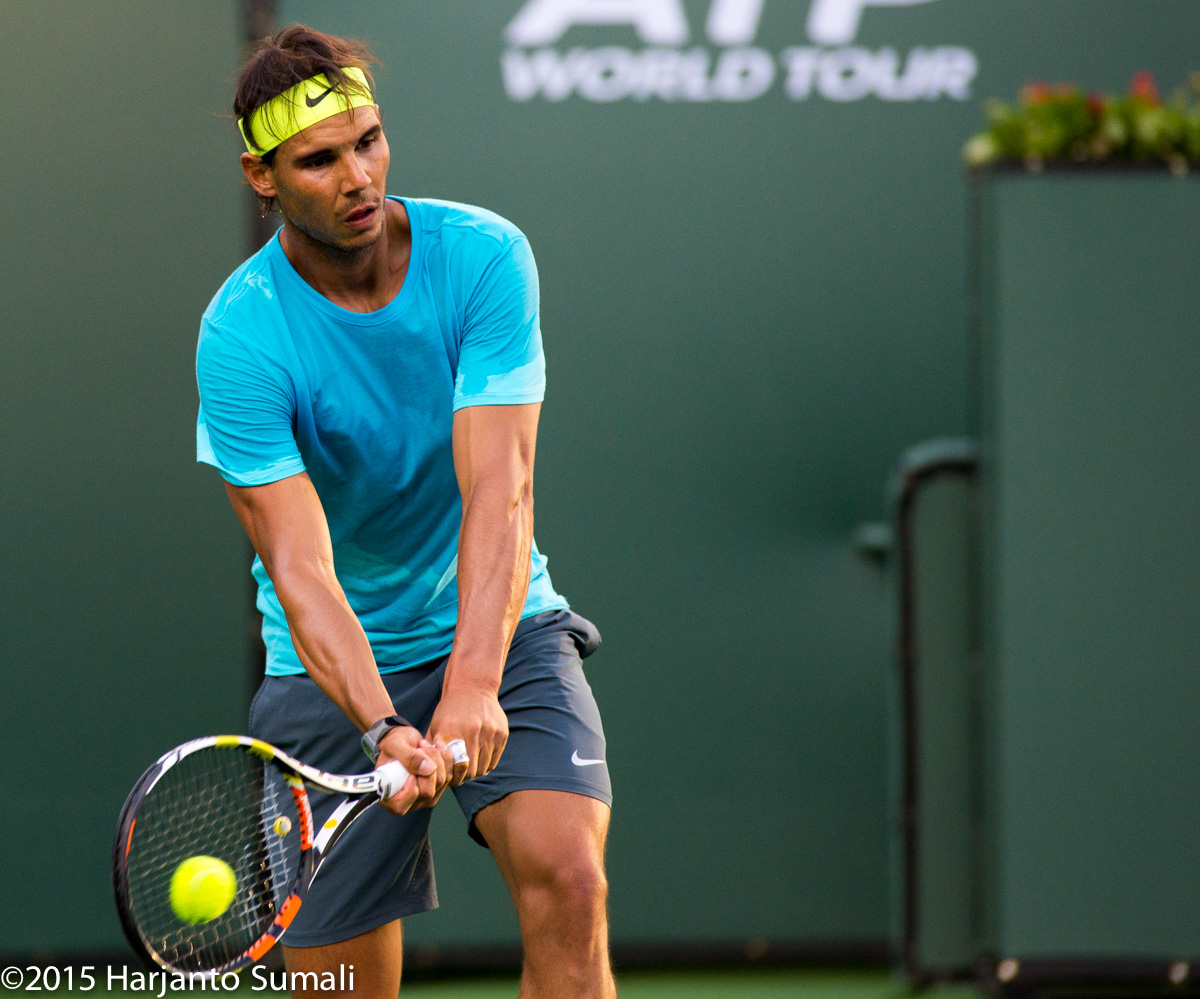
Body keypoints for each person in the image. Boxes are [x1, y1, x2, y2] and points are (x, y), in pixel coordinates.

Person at [195, 24, 615, 999]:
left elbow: (500, 490)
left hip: (501, 628)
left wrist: (472, 684)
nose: (357, 176)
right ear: (263, 177)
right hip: (331, 666)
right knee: (342, 989)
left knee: (570, 876)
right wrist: (384, 723)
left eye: (368, 141)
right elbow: (299, 572)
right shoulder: (242, 336)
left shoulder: (482, 257)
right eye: (318, 159)